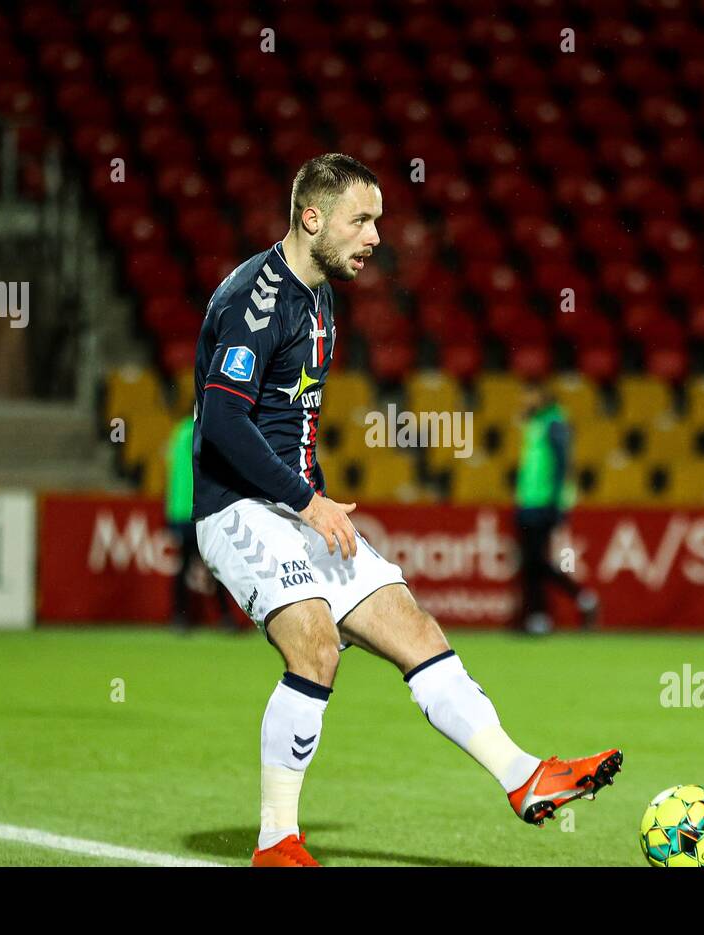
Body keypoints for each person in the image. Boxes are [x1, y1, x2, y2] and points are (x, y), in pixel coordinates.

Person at [192, 154, 622, 866]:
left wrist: (313, 502)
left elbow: (288, 423)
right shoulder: (254, 300)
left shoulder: (321, 296)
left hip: (297, 507)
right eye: (361, 220)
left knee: (414, 627)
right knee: (315, 644)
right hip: (238, 508)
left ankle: (525, 779)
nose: (374, 238)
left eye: (378, 222)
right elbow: (227, 421)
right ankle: (276, 844)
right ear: (313, 217)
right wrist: (309, 502)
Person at [514, 381, 598, 634]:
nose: (524, 399)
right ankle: (543, 616)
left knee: (537, 561)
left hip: (544, 502)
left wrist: (557, 502)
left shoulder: (554, 422)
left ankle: (576, 600)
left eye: (529, 393)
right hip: (528, 501)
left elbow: (563, 464)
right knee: (533, 563)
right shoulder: (536, 422)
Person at [165, 413, 236, 633]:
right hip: (201, 507)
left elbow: (171, 467)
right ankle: (225, 618)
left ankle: (179, 617)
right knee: (214, 564)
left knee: (185, 564)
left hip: (178, 509)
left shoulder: (179, 432)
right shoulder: (206, 430)